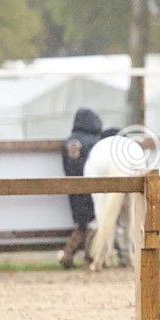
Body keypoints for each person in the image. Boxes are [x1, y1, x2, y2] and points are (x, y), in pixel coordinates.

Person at [59, 107, 106, 268]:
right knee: (92, 224)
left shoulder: (69, 142)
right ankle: (88, 255)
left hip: (73, 189)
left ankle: (69, 255)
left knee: (81, 224)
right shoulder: (94, 142)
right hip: (93, 189)